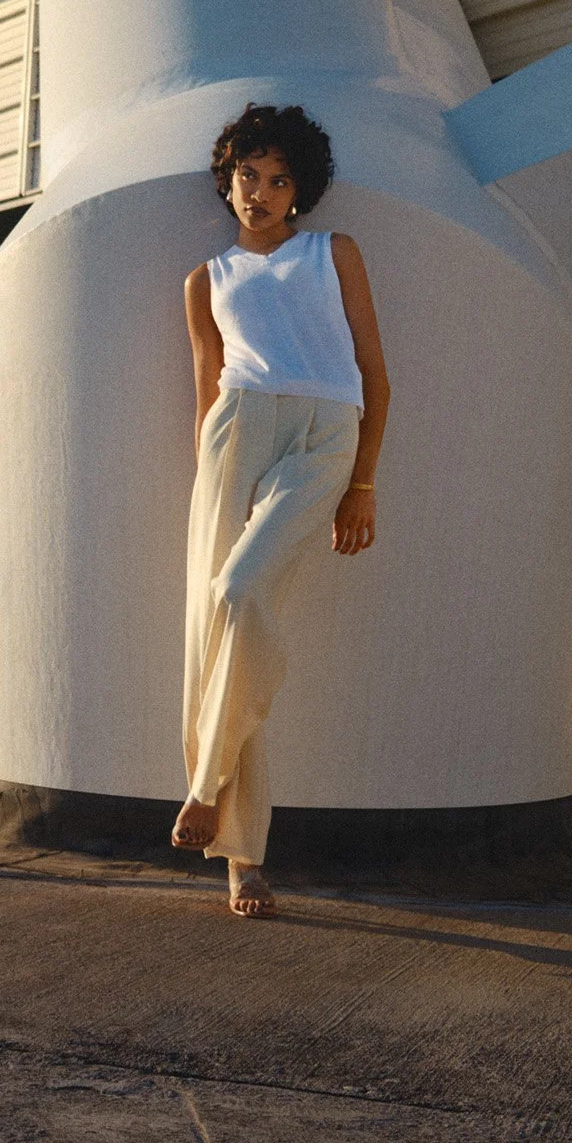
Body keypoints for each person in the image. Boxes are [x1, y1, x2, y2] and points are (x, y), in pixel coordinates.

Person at [173, 103, 390, 918]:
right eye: (246, 177)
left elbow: (375, 374)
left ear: (300, 189)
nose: (258, 193)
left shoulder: (333, 253)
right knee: (219, 636)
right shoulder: (205, 280)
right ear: (227, 180)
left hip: (324, 435)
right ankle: (244, 864)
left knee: (241, 595)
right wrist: (211, 475)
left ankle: (203, 787)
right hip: (234, 436)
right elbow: (205, 390)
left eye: (277, 180)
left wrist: (361, 483)